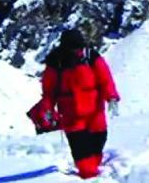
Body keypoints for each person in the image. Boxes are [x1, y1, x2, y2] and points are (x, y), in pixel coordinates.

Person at [40, 29, 120, 179]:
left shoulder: (91, 57)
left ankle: (94, 168)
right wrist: (48, 108)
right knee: (81, 148)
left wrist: (112, 97)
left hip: (95, 110)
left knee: (99, 140)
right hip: (71, 114)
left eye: (79, 46)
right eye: (74, 47)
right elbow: (49, 90)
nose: (78, 50)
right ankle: (89, 175)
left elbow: (105, 79)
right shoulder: (55, 62)